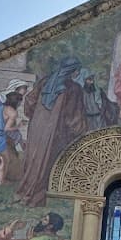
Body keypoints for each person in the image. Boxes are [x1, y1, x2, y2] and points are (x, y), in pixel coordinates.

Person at [16, 57, 88, 205]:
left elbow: (30, 101)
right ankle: (35, 196)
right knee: (47, 159)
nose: (78, 73)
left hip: (37, 126)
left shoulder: (45, 82)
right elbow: (73, 115)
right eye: (76, 70)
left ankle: (24, 190)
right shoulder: (73, 88)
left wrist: (36, 117)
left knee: (33, 158)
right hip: (56, 130)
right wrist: (79, 129)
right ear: (72, 71)